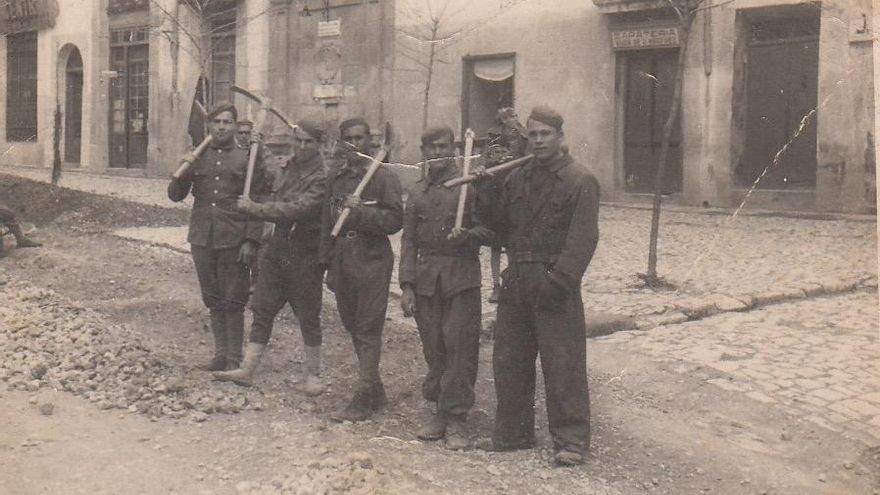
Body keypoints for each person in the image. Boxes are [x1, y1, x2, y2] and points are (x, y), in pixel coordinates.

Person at [483, 106, 599, 466]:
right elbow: (498, 228)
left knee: (563, 362)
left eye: (544, 134)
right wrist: (487, 190)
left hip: (554, 281)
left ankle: (572, 440)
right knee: (509, 359)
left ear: (560, 137)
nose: (537, 141)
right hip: (517, 278)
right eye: (532, 135)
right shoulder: (518, 178)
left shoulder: (580, 180)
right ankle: (513, 433)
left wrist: (559, 281)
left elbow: (583, 240)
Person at [213, 120, 328, 394]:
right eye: (298, 141)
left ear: (319, 145)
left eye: (308, 142)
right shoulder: (286, 168)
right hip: (278, 249)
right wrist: (256, 145)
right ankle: (248, 369)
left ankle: (313, 375)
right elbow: (266, 178)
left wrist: (256, 209)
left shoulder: (323, 178)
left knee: (308, 315)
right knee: (263, 309)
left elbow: (299, 209)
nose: (302, 146)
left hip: (306, 253)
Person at [399, 126, 493, 449]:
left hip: (461, 275)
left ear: (454, 149)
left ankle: (456, 418)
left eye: (444, 147)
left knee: (460, 346)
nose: (438, 153)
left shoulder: (471, 185)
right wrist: (407, 285)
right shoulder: (417, 192)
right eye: (431, 148)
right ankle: (440, 408)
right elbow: (409, 241)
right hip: (426, 280)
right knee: (433, 346)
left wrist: (467, 236)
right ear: (423, 152)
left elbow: (490, 231)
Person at [168, 103, 270, 371]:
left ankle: (234, 359)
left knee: (233, 298)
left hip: (234, 238)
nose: (222, 127)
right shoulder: (199, 156)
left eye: (227, 122)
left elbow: (257, 200)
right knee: (212, 297)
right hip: (203, 237)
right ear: (209, 126)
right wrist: (182, 168)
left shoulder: (247, 158)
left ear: (236, 126)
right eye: (217, 122)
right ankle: (220, 354)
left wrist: (251, 240)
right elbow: (175, 194)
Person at [319, 117, 403, 422]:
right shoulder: (337, 178)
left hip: (372, 259)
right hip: (342, 259)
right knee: (353, 325)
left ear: (371, 141)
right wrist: (326, 263)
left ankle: (364, 394)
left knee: (368, 327)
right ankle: (375, 387)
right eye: (349, 139)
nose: (355, 144)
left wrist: (362, 212)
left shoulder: (383, 178)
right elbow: (326, 223)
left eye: (360, 137)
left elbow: (395, 221)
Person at [485, 107, 527, 303]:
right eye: (511, 117)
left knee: (512, 243)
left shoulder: (522, 136)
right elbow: (488, 161)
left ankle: (513, 283)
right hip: (497, 194)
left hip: (514, 195)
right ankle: (496, 285)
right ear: (503, 121)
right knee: (495, 245)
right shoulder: (495, 138)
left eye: (516, 116)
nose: (515, 120)